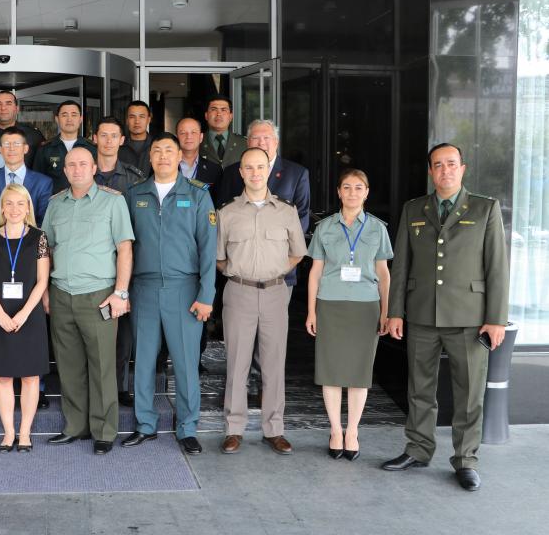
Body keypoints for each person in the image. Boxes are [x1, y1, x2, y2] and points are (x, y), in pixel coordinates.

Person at [382, 143, 509, 492]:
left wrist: (496, 318)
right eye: (438, 165)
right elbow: (401, 265)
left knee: (468, 393)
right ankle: (418, 449)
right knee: (419, 389)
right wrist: (395, 312)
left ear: (462, 168)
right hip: (422, 313)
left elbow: (497, 267)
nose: (445, 170)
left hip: (470, 317)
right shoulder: (414, 209)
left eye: (451, 164)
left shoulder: (484, 208)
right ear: (430, 171)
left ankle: (466, 460)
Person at [121, 133, 217, 455]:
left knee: (186, 362)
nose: (163, 156)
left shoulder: (198, 194)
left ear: (179, 156)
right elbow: (124, 246)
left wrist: (207, 294)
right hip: (144, 288)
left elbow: (208, 248)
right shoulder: (135, 194)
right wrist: (123, 290)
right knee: (144, 360)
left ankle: (187, 427)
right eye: (157, 151)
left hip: (184, 289)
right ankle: (145, 424)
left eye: (169, 151)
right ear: (150, 157)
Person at [41, 145, 134, 455]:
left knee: (102, 366)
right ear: (65, 170)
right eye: (71, 165)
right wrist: (45, 292)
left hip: (99, 296)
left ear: (94, 168)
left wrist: (120, 292)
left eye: (83, 164)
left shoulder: (113, 201)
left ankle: (104, 431)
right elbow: (46, 250)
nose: (77, 169)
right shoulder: (55, 204)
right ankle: (75, 426)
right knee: (68, 366)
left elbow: (124, 248)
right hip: (61, 294)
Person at [216, 147, 306, 456]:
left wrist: (275, 271)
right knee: (237, 364)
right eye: (249, 168)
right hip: (238, 292)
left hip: (275, 293)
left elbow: (297, 252)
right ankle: (234, 429)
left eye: (260, 167)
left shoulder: (286, 211)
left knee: (273, 364)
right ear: (241, 172)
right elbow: (218, 258)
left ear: (269, 170)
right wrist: (241, 273)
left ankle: (274, 430)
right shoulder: (227, 213)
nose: (255, 173)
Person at [305, 169, 392, 461]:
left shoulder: (378, 228)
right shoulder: (325, 228)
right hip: (330, 304)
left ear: (366, 193)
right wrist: (311, 311)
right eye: (346, 187)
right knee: (330, 371)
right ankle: (335, 430)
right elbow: (315, 272)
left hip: (366, 307)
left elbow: (384, 274)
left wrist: (386, 311)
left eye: (358, 187)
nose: (352, 192)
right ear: (339, 192)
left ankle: (352, 431)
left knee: (358, 373)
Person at [0, 126, 53, 410]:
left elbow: (42, 218)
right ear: (0, 149)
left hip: (29, 255)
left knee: (30, 339)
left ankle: (36, 388)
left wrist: (22, 238)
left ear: (26, 148)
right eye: (6, 144)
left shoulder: (42, 181)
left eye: (16, 144)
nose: (11, 149)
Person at [0, 184, 50, 452]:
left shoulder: (39, 237)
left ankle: (25, 432)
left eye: (21, 203)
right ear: (2, 207)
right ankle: (9, 433)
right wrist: (0, 314)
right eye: (9, 203)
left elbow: (42, 281)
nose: (15, 208)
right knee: (3, 377)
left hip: (29, 315)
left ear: (28, 207)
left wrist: (23, 314)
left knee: (30, 376)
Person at [92, 116, 145, 407]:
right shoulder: (84, 172)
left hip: (124, 263)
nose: (109, 141)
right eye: (104, 135)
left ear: (122, 140)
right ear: (95, 138)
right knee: (93, 329)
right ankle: (93, 387)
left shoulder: (135, 178)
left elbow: (139, 226)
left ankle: (120, 387)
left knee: (123, 331)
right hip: (93, 263)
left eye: (114, 136)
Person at [31, 100, 96, 193]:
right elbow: (37, 181)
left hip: (87, 200)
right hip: (54, 201)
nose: (69, 119)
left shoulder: (92, 148)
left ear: (81, 119)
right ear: (57, 119)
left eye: (74, 115)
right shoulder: (45, 149)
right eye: (64, 115)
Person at [0, 91, 45, 168]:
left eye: (8, 104)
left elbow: (43, 165)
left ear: (17, 109)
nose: (3, 108)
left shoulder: (33, 135)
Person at [176, 117, 222, 196]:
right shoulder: (166, 166)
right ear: (177, 138)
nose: (188, 136)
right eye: (183, 133)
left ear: (201, 137)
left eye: (193, 132)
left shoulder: (214, 170)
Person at [199, 94, 242, 167]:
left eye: (223, 110)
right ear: (206, 115)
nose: (218, 114)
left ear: (231, 116)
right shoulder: (197, 142)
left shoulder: (243, 143)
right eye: (213, 109)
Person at [118, 101, 154, 172]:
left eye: (141, 117)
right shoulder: (118, 146)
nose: (137, 121)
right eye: (132, 117)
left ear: (148, 120)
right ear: (127, 120)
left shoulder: (156, 145)